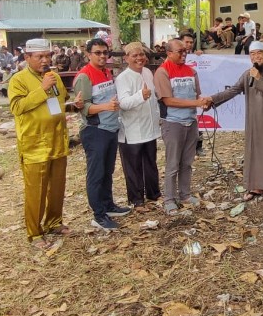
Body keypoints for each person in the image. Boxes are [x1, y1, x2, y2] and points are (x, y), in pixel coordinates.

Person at [10, 39, 82, 249]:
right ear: (27, 58)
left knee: (57, 187)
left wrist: (74, 106)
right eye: (39, 57)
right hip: (35, 144)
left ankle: (54, 222)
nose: (45, 61)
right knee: (36, 191)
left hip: (58, 141)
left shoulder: (55, 78)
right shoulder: (19, 80)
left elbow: (59, 104)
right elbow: (17, 107)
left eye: (47, 56)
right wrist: (41, 89)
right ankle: (34, 232)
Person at [206, 41, 263, 202]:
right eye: (253, 54)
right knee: (256, 152)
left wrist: (260, 78)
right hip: (255, 120)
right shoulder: (248, 74)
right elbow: (233, 90)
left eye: (259, 53)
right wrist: (212, 99)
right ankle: (257, 186)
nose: (256, 57)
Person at [74, 38, 130, 231]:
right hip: (95, 130)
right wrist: (106, 107)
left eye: (105, 52)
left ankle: (108, 206)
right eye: (97, 53)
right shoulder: (84, 76)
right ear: (89, 54)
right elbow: (84, 108)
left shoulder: (106, 72)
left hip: (111, 128)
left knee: (108, 171)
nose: (102, 56)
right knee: (96, 174)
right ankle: (98, 215)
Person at [154, 39, 210, 215]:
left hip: (191, 122)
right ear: (169, 53)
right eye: (180, 51)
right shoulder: (162, 72)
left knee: (187, 162)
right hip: (173, 123)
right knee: (172, 164)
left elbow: (198, 94)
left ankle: (185, 194)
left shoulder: (191, 71)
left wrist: (203, 101)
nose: (184, 54)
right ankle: (169, 199)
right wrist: (196, 102)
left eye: (185, 51)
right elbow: (168, 100)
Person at [115, 42, 161, 212]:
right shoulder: (123, 78)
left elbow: (154, 98)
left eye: (141, 54)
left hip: (149, 127)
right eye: (134, 56)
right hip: (132, 130)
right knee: (133, 167)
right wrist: (140, 96)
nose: (139, 58)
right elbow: (124, 103)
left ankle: (153, 193)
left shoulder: (148, 72)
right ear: (126, 58)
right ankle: (136, 200)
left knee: (150, 163)